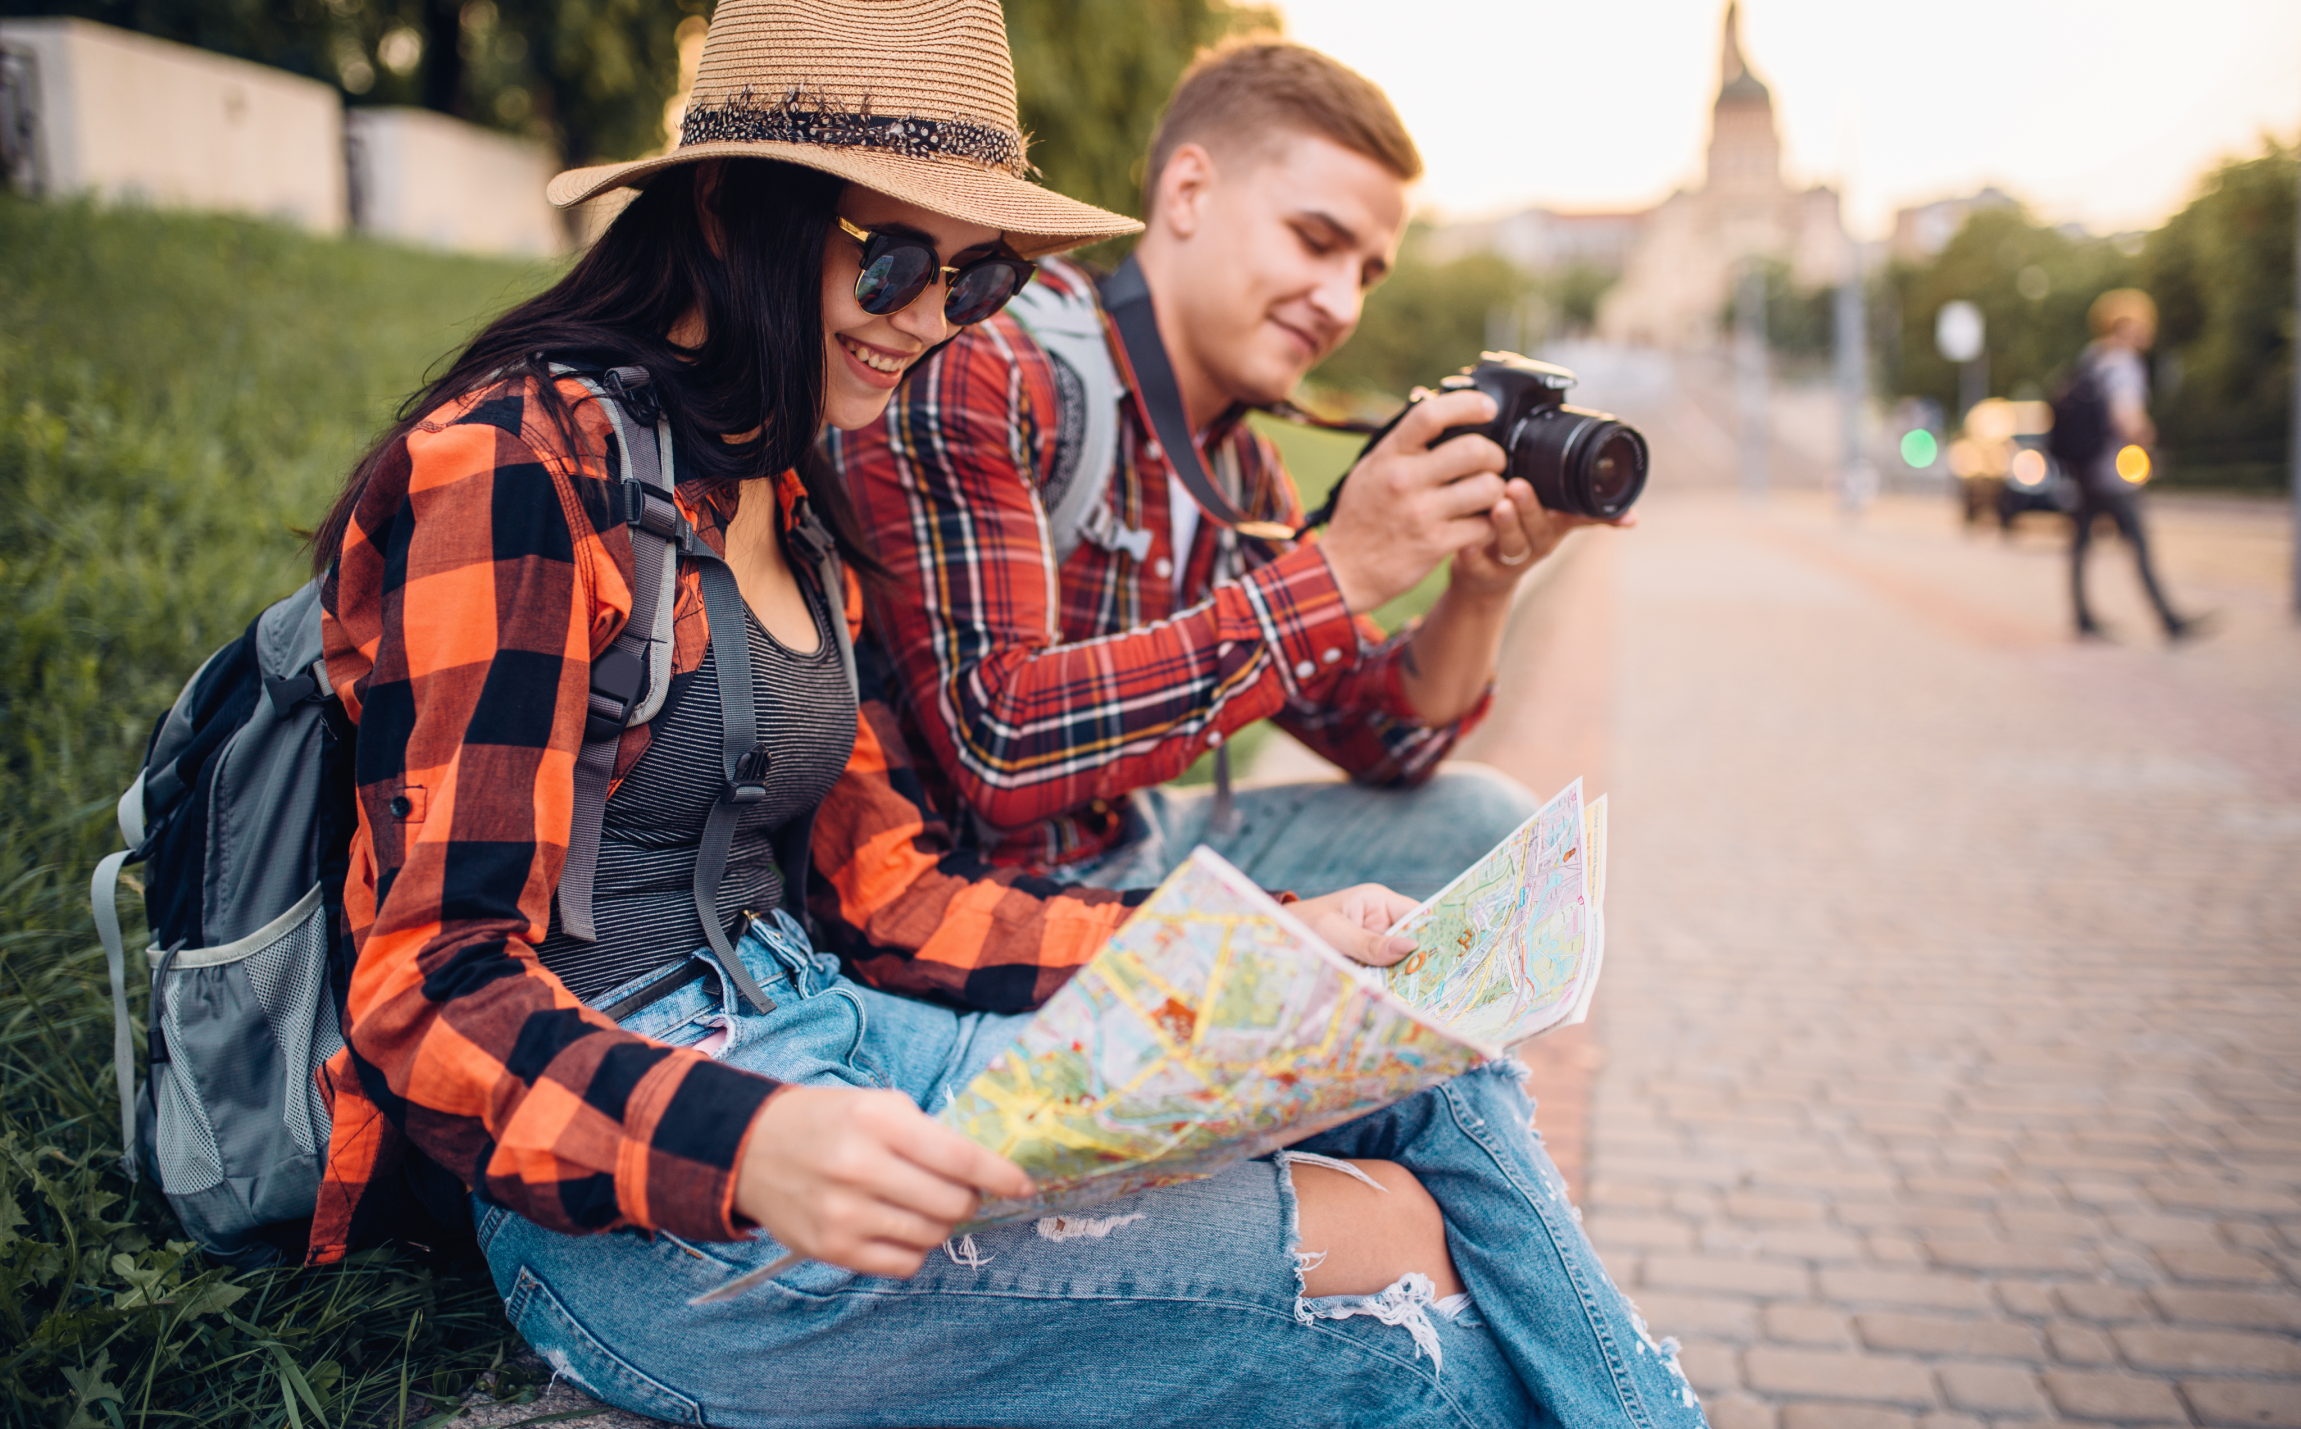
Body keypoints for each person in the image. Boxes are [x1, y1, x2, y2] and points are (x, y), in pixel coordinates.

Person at [301, 4, 1704, 1424]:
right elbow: (431, 992)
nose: (926, 321)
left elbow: (897, 900)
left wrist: (1258, 954)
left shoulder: (787, 486)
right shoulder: (514, 466)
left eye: (973, 282)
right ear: (726, 208)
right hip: (638, 1217)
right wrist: (747, 1141)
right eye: (896, 258)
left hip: (838, 1032)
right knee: (1408, 1306)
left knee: (1429, 1056)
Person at [826, 40, 1628, 905]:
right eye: (1315, 241)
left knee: (1482, 826)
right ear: (1188, 192)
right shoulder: (991, 361)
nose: (1340, 303)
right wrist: (1341, 569)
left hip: (1124, 845)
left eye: (1365, 272)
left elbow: (1388, 743)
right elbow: (998, 741)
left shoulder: (1238, 464)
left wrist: (1482, 584)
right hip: (972, 896)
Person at [2066, 288, 2201, 642]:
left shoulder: (2093, 357)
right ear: (2128, 324)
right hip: (2112, 471)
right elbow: (2126, 418)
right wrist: (2147, 434)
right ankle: (2168, 618)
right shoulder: (2125, 363)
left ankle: (2081, 615)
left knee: (2081, 542)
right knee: (2139, 542)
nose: (2148, 331)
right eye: (2144, 323)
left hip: (2085, 466)